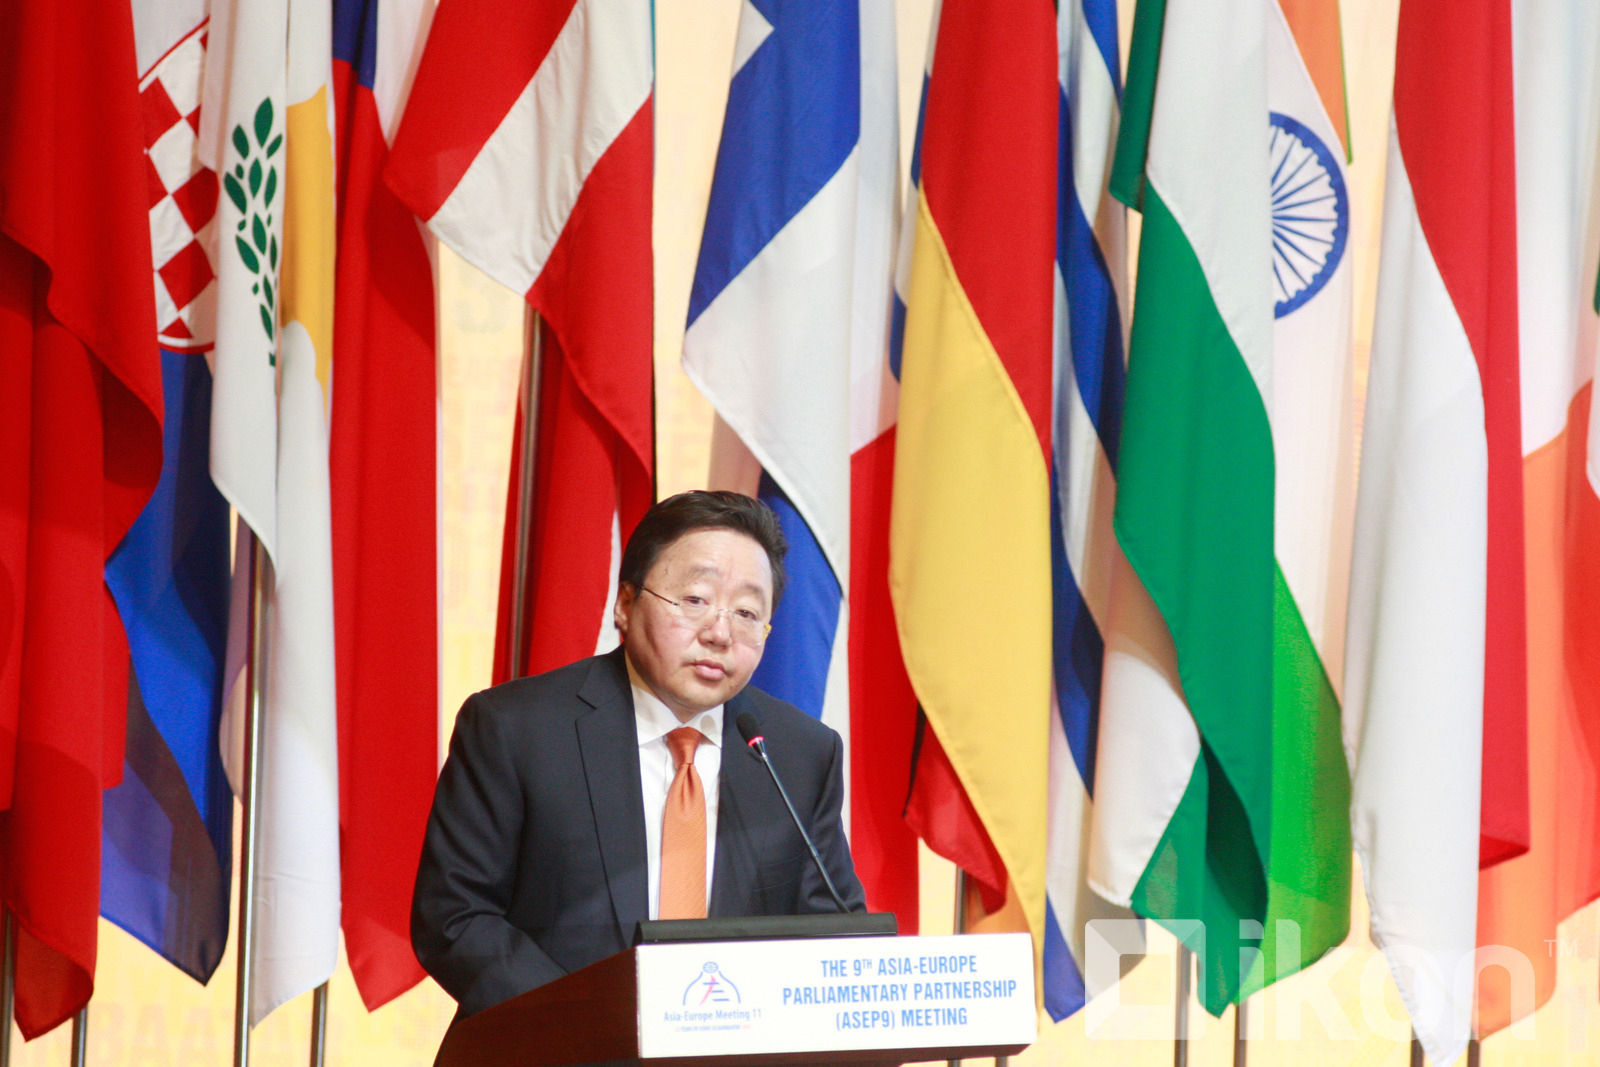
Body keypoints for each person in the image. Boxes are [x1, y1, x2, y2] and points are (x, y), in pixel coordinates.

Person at [412, 490, 865, 1018]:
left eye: (747, 612)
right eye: (695, 600)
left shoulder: (798, 753)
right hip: (556, 1044)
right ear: (625, 604)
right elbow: (456, 918)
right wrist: (596, 1025)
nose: (720, 633)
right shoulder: (515, 729)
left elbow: (834, 933)